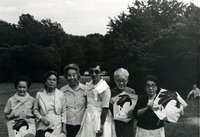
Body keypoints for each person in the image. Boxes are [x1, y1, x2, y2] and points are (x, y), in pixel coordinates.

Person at [76, 63, 116, 137]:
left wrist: (100, 126)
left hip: (100, 118)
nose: (94, 74)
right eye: (91, 72)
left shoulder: (105, 88)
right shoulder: (88, 86)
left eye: (97, 72)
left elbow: (105, 108)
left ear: (101, 73)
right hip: (88, 117)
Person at [33, 71, 66, 137]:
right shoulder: (39, 94)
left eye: (54, 80)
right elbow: (35, 110)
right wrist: (41, 118)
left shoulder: (61, 94)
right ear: (45, 81)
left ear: (56, 82)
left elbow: (64, 111)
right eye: (50, 79)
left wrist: (64, 127)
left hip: (57, 124)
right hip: (44, 123)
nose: (52, 81)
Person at [60, 63, 87, 137]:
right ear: (66, 76)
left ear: (78, 75)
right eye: (69, 75)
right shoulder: (62, 91)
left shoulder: (85, 89)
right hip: (68, 126)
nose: (71, 77)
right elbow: (62, 110)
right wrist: (63, 126)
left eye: (74, 75)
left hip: (82, 125)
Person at [110, 68, 137, 137]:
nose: (121, 83)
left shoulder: (131, 91)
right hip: (115, 122)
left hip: (128, 122)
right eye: (118, 81)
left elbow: (134, 107)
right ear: (115, 80)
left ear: (127, 80)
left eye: (123, 80)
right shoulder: (111, 92)